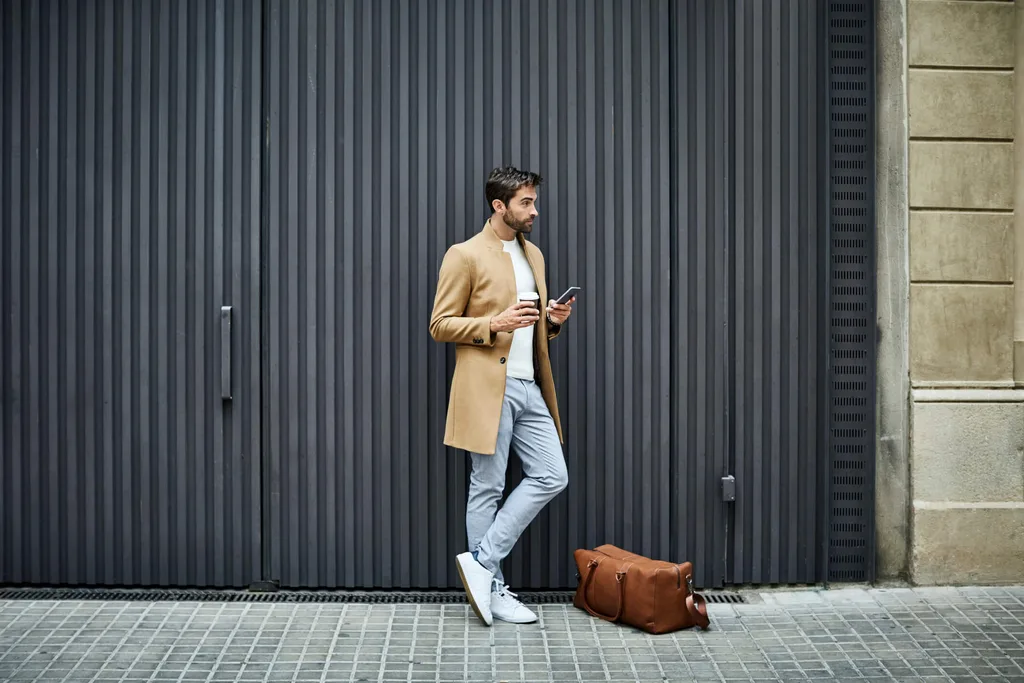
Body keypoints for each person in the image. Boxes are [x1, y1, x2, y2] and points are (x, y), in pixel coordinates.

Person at [429, 166, 575, 626]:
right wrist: (493, 324)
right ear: (499, 206)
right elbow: (440, 324)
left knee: (552, 475)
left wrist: (552, 322)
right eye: (526, 202)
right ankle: (491, 589)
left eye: (534, 201)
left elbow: (533, 332)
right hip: (487, 388)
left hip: (530, 386)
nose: (534, 210)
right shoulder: (464, 255)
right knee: (487, 486)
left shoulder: (535, 255)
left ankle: (482, 563)